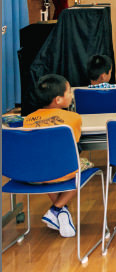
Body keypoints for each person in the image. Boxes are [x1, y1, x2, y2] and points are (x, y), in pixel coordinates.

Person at [24, 74, 93, 239]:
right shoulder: (74, 118)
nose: (71, 95)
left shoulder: (28, 120)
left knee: (46, 166)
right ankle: (55, 210)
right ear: (58, 100)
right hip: (63, 170)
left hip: (35, 173)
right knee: (85, 166)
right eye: (69, 92)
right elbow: (74, 144)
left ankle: (62, 212)